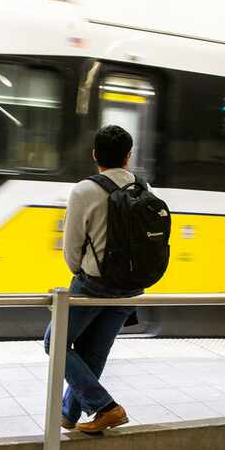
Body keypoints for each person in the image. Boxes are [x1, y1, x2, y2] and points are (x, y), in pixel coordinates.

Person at [43, 125, 149, 433]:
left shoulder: (84, 190)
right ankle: (68, 413)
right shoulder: (143, 186)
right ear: (128, 157)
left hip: (94, 284)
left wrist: (82, 274)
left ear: (94, 155)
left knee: (54, 342)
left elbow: (72, 249)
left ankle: (106, 407)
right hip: (130, 288)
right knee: (93, 352)